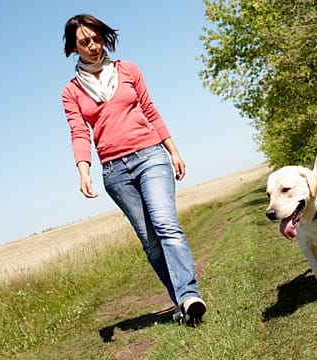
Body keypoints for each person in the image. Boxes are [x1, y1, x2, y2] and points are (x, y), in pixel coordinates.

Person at [61, 14, 206, 326]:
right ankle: (181, 301)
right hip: (114, 171)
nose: (93, 46)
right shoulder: (71, 91)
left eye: (96, 38)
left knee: (166, 224)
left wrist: (173, 149)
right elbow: (79, 133)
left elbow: (150, 110)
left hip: (150, 155)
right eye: (84, 42)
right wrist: (83, 171)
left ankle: (190, 294)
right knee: (150, 241)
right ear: (73, 48)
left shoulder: (128, 70)